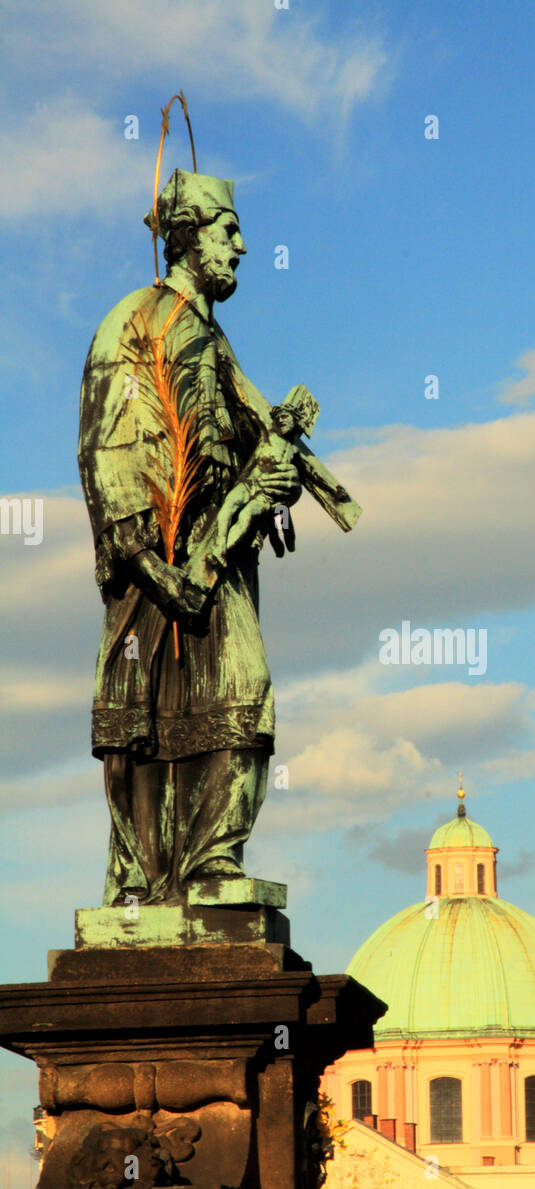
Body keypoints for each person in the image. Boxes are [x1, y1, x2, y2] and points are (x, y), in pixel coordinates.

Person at [78, 169, 301, 905]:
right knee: (148, 718)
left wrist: (273, 485)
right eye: (227, 229)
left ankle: (210, 867)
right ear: (187, 234)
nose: (242, 244)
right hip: (161, 558)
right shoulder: (135, 320)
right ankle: (142, 878)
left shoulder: (213, 338)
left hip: (221, 550)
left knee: (239, 697)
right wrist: (148, 557)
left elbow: (236, 442)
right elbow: (109, 443)